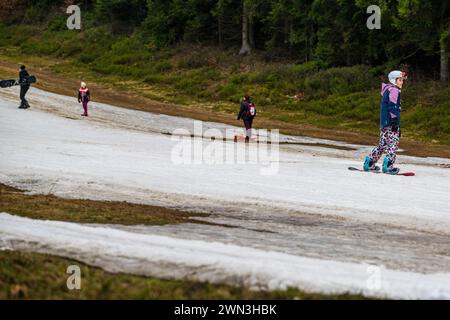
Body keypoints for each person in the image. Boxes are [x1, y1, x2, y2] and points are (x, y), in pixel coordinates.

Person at [363, 70, 407, 174]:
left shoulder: (387, 89)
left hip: (384, 122)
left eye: (402, 80)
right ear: (393, 80)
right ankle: (388, 166)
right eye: (400, 80)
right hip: (391, 122)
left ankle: (369, 162)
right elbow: (393, 106)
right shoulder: (394, 90)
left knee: (382, 144)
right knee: (393, 144)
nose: (402, 82)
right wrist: (395, 122)